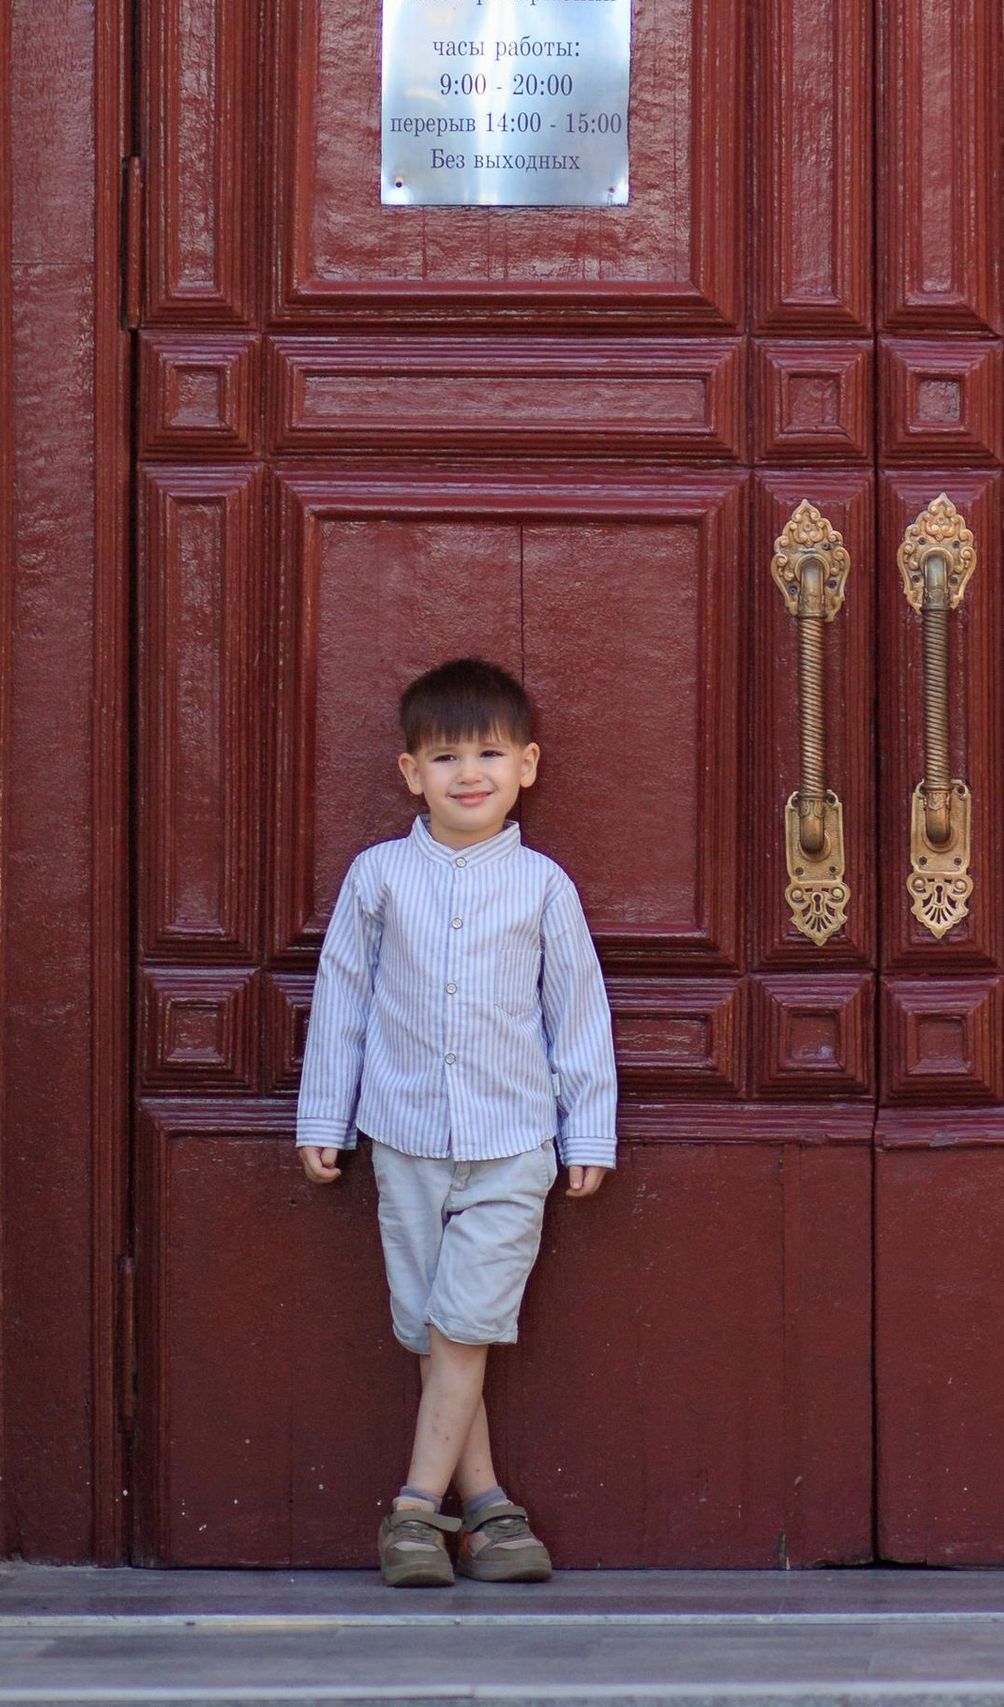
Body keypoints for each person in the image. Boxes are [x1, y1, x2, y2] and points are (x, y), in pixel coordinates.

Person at [294, 656, 616, 1588]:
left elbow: (577, 1011)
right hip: (403, 1139)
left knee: (465, 1321)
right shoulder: (379, 877)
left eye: (489, 752)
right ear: (410, 774)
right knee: (437, 1329)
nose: (467, 772)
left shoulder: (543, 887)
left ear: (527, 765)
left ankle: (410, 1514)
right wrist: (327, 1115)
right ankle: (492, 1511)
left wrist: (587, 1130)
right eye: (444, 757)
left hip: (514, 1144)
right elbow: (343, 999)